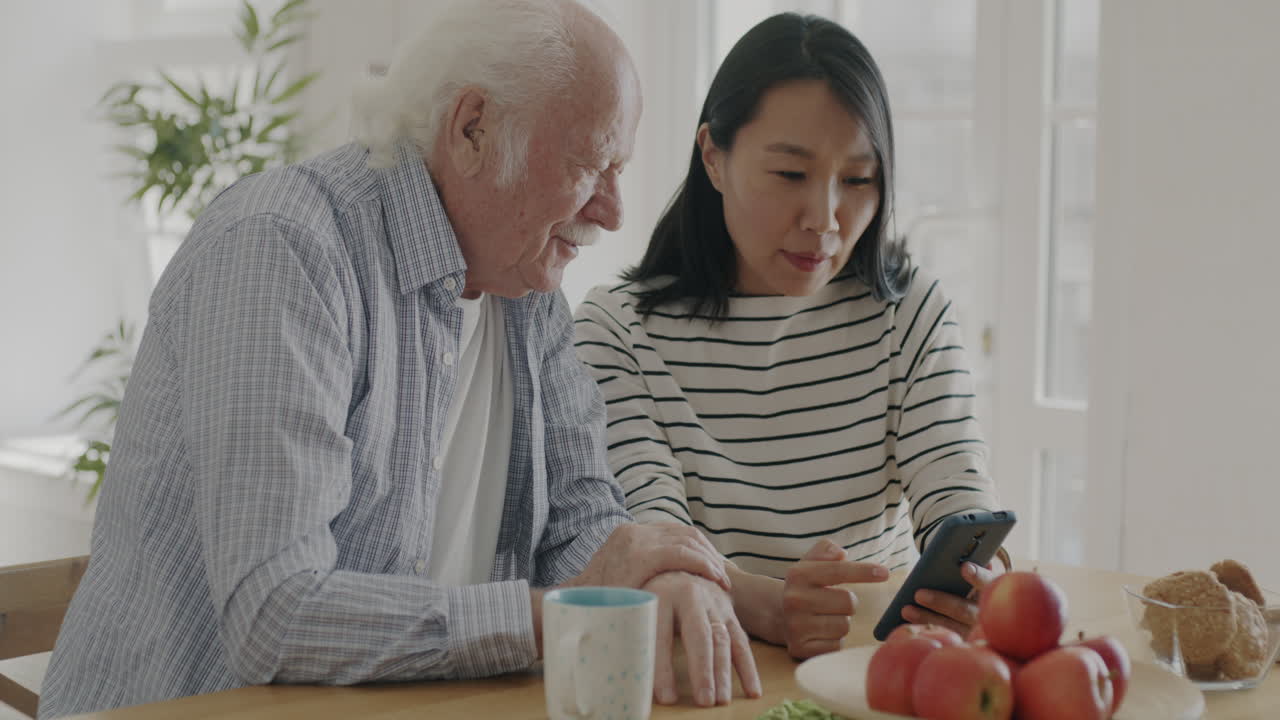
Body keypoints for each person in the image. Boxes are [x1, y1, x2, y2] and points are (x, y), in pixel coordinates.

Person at [40, 2, 760, 717]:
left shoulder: (529, 289)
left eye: (619, 169)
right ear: (472, 127)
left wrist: (663, 576)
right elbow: (278, 616)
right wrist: (564, 614)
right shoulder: (282, 250)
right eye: (587, 163)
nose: (613, 210)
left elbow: (583, 524)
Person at [574, 12, 1004, 661]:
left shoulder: (909, 312)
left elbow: (956, 499)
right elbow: (654, 543)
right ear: (714, 157)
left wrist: (980, 580)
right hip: (714, 667)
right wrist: (771, 606)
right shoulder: (617, 330)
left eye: (857, 179)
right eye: (791, 175)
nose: (825, 219)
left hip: (880, 666)